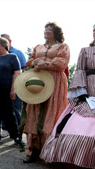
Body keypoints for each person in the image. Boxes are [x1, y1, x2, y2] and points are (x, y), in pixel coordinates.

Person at [40, 23, 95, 169]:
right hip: (88, 90)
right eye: (93, 30)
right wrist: (81, 92)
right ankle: (69, 156)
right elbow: (80, 71)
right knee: (78, 120)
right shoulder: (85, 50)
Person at [23, 22, 69, 163]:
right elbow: (29, 61)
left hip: (55, 82)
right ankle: (35, 150)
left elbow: (62, 63)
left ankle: (50, 151)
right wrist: (37, 62)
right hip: (39, 81)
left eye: (49, 30)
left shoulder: (63, 47)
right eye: (45, 30)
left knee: (52, 113)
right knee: (35, 113)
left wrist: (47, 63)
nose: (46, 32)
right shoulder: (39, 47)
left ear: (55, 32)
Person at [0, 37, 21, 145]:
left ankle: (16, 136)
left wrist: (13, 89)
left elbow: (17, 73)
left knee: (9, 114)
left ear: (4, 45)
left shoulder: (12, 57)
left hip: (5, 89)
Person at [0, 33, 27, 138]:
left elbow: (24, 69)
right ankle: (5, 128)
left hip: (16, 85)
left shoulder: (18, 53)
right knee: (4, 109)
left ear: (10, 42)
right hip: (3, 86)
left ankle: (19, 130)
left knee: (16, 108)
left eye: (4, 40)